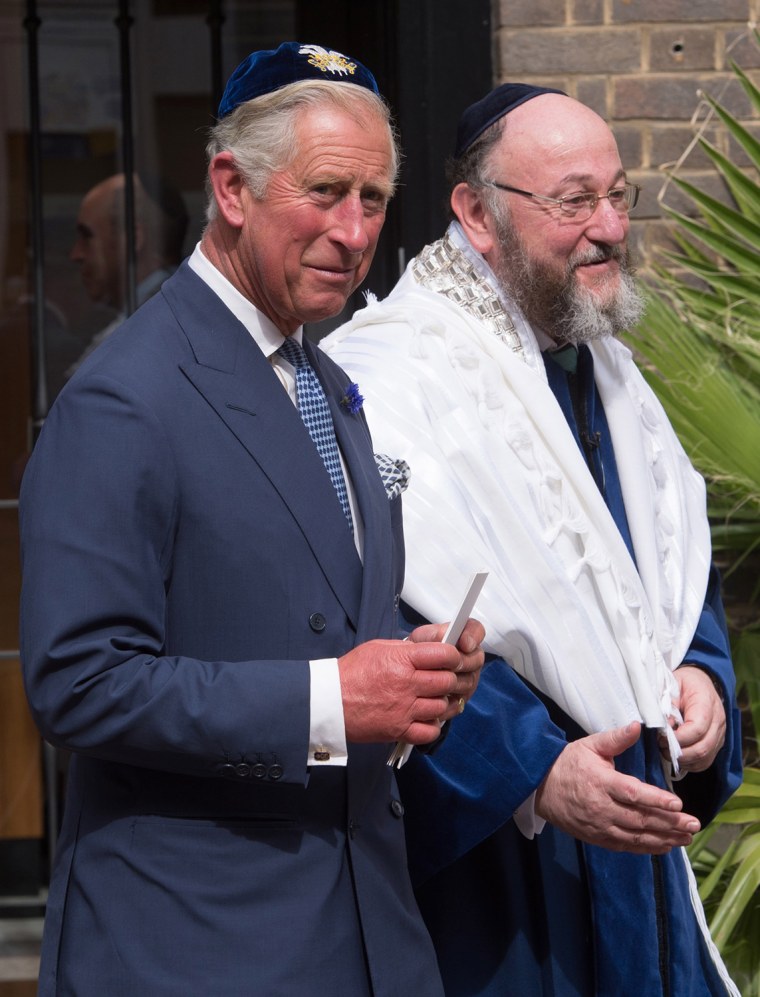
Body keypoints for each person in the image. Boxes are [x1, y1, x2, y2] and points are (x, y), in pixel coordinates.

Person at [19, 43, 485, 997]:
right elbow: (76, 680)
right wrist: (331, 702)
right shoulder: (125, 395)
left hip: (365, 932)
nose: (354, 232)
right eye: (325, 192)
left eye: (374, 198)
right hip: (198, 944)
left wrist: (417, 667)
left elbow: (303, 606)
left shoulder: (327, 379)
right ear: (231, 187)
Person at [324, 83, 742, 996]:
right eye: (573, 200)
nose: (608, 228)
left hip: (636, 847)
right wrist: (536, 771)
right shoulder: (386, 382)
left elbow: (674, 580)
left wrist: (704, 674)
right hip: (502, 880)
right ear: (476, 213)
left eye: (618, 195)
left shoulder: (612, 376)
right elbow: (377, 626)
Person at [67, 170, 188, 370]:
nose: (76, 254)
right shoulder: (180, 310)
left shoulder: (145, 327)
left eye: (86, 237)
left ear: (132, 239)